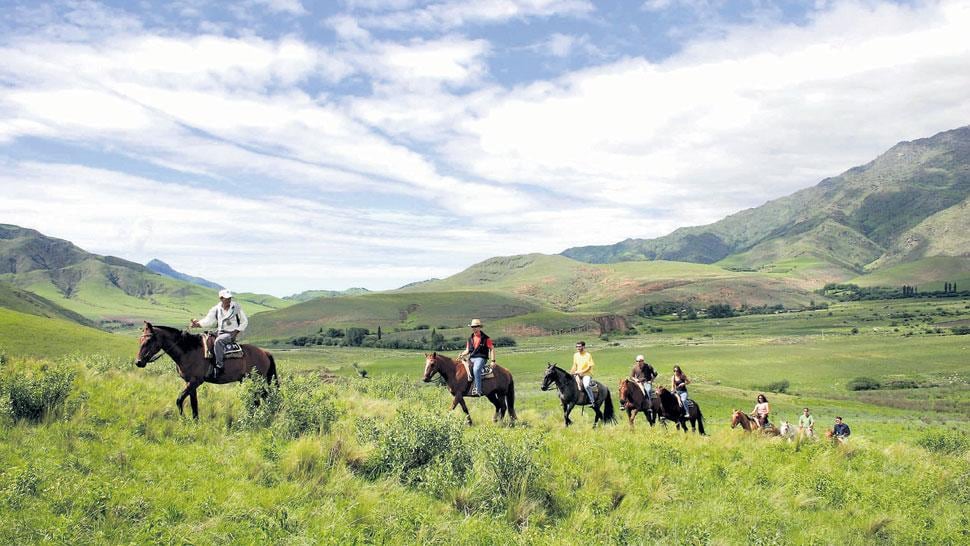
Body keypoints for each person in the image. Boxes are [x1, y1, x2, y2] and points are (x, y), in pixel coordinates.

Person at [190, 289, 248, 378]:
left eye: (229, 298)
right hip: (219, 332)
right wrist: (198, 324)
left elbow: (244, 321)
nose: (229, 300)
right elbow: (208, 320)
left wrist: (236, 332)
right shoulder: (216, 309)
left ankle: (219, 366)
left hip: (230, 333)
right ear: (221, 298)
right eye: (226, 298)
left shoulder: (236, 308)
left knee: (218, 342)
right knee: (206, 339)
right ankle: (206, 365)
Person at [457, 318, 494, 396]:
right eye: (473, 327)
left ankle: (478, 390)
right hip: (471, 358)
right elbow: (467, 350)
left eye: (476, 326)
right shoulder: (470, 338)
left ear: (479, 327)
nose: (474, 328)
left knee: (476, 369)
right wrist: (462, 354)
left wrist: (493, 360)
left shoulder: (486, 338)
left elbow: (492, 349)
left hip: (481, 358)